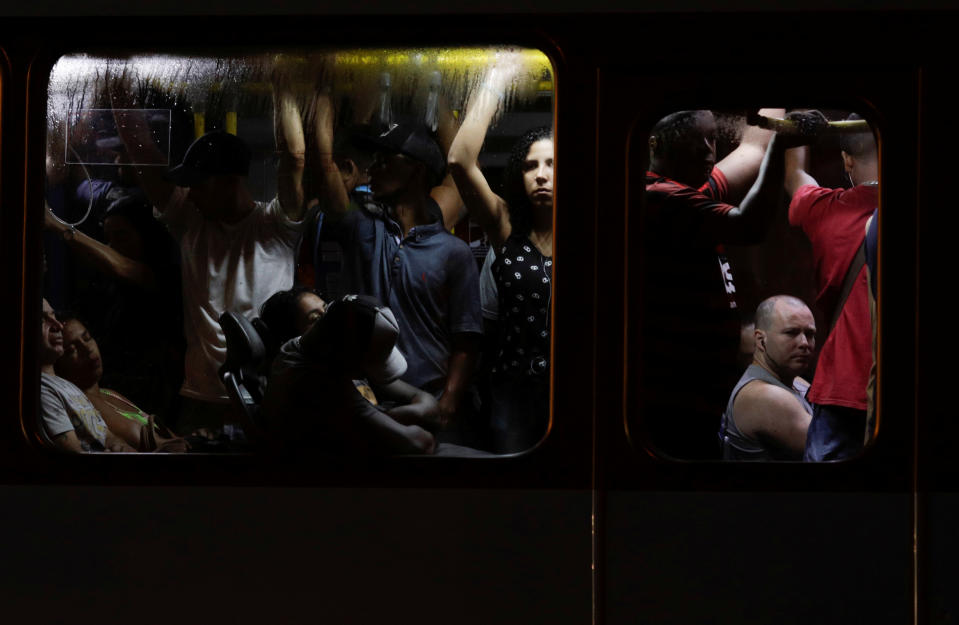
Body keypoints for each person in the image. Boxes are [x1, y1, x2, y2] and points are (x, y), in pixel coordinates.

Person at [640, 108, 826, 460]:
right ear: (656, 143)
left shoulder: (691, 190)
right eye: (697, 142)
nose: (709, 151)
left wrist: (781, 111)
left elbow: (753, 150)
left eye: (712, 139)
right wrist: (784, 141)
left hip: (700, 386)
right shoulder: (660, 197)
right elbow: (749, 224)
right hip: (674, 390)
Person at [115, 108, 306, 436]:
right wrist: (119, 95)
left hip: (266, 394)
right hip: (202, 396)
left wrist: (283, 87)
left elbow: (295, 158)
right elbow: (143, 154)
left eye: (198, 185)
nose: (190, 194)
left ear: (232, 181)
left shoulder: (274, 226)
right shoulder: (190, 222)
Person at [319, 119, 482, 437]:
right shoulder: (364, 229)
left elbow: (466, 338)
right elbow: (325, 172)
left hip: (429, 400)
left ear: (417, 170)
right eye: (374, 161)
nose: (374, 170)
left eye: (386, 160)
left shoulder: (453, 252)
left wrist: (448, 401)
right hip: (366, 400)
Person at [447, 54, 554, 453]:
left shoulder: (589, 230)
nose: (541, 173)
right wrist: (496, 80)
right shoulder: (506, 226)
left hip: (575, 390)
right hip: (512, 392)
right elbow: (459, 161)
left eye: (552, 164)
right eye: (530, 165)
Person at [44, 194, 185, 422]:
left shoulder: (164, 277)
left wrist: (57, 226)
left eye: (121, 236)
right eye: (108, 239)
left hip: (157, 401)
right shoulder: (108, 290)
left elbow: (125, 268)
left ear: (148, 237)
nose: (112, 247)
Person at [785, 113, 877, 461]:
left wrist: (798, 133)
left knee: (829, 509)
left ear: (847, 159)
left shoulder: (826, 210)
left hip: (843, 389)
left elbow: (795, 176)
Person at [260, 294, 438, 455]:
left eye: (327, 308)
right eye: (315, 318)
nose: (326, 321)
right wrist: (388, 419)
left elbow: (428, 404)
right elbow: (421, 444)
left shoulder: (325, 355)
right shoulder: (319, 382)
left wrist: (386, 417)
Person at [53, 313, 188, 452]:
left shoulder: (109, 394)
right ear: (57, 365)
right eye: (71, 350)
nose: (87, 349)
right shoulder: (77, 405)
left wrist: (192, 440)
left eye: (87, 338)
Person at [719, 295, 815, 461]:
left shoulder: (796, 381)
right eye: (791, 333)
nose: (804, 342)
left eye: (810, 334)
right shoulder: (764, 396)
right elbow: (836, 450)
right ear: (761, 340)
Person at [38, 299, 135, 453]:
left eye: (53, 315)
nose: (58, 325)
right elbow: (75, 457)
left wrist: (120, 447)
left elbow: (107, 435)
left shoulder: (68, 387)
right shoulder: (42, 390)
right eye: (42, 320)